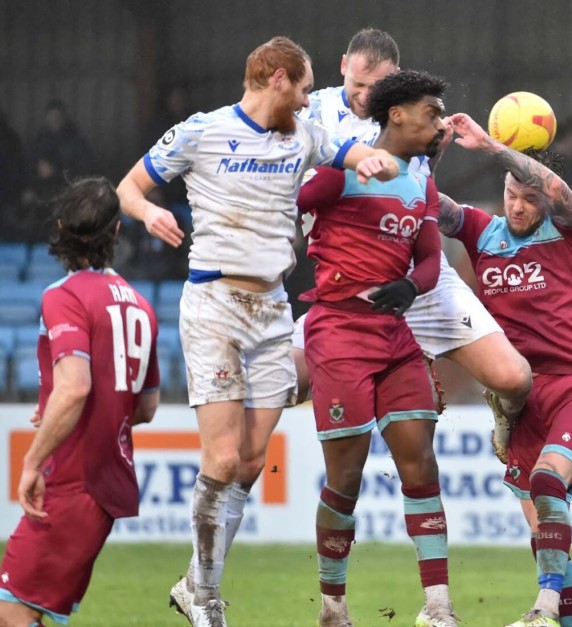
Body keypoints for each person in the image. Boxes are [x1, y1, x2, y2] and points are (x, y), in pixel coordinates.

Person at [116, 35, 399, 627]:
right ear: (278, 79)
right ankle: (206, 599)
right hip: (215, 305)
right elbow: (129, 187)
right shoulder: (202, 131)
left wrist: (375, 160)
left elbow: (350, 151)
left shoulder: (304, 135)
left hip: (272, 311)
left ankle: (196, 583)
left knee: (248, 461)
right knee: (221, 459)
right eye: (304, 87)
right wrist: (150, 211)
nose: (309, 99)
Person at [294, 27, 532, 462]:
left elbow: (420, 192)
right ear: (343, 67)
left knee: (514, 379)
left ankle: (490, 404)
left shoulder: (414, 116)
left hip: (417, 279)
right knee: (282, 388)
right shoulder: (312, 112)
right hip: (349, 289)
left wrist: (436, 152)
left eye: (377, 86)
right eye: (357, 84)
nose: (365, 96)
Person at [437, 113, 572, 627]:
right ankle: (558, 615)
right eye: (510, 194)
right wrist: (432, 149)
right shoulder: (482, 232)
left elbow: (558, 191)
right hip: (522, 403)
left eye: (528, 197)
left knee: (546, 480)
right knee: (545, 539)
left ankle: (543, 608)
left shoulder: (571, 230)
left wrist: (491, 147)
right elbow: (427, 203)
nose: (517, 205)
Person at [297, 69, 455, 627]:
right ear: (397, 115)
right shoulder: (344, 170)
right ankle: (333, 608)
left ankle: (438, 608)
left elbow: (431, 259)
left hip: (393, 336)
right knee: (347, 476)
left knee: (422, 464)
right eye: (432, 113)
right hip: (338, 331)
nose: (440, 124)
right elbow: (293, 199)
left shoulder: (421, 184)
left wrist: (411, 286)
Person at [0, 177, 160, 627]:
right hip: (106, 481)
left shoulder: (64, 295)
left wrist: (32, 462)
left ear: (60, 226)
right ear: (116, 231)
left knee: (10, 613)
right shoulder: (141, 305)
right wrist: (58, 409)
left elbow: (74, 387)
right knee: (21, 611)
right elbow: (145, 408)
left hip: (72, 477)